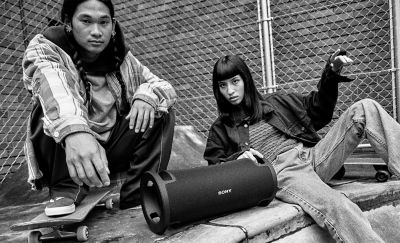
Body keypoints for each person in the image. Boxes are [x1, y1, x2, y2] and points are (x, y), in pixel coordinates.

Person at [203, 51, 400, 242]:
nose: (229, 91)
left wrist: (331, 74)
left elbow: (318, 110)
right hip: (284, 174)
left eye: (235, 81)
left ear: (245, 79)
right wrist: (236, 162)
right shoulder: (220, 130)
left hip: (314, 156)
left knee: (365, 108)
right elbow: (215, 173)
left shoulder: (275, 102)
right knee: (338, 205)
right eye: (223, 85)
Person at [22, 0, 176, 216]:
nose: (96, 31)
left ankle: (140, 191)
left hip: (111, 147)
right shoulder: (47, 47)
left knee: (160, 109)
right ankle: (66, 189)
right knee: (45, 108)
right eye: (86, 21)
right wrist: (75, 131)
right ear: (68, 23)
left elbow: (163, 86)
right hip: (67, 151)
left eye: (103, 22)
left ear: (112, 26)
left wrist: (146, 95)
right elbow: (55, 87)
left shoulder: (122, 57)